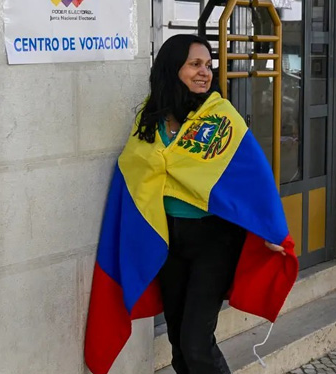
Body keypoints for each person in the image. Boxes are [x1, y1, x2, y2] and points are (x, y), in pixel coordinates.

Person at [125, 34, 296, 374]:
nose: (205, 72)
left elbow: (252, 175)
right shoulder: (150, 117)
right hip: (169, 240)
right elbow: (134, 172)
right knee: (178, 342)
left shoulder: (220, 115)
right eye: (195, 64)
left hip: (214, 241)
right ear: (172, 68)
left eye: (208, 65)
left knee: (196, 343)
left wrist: (269, 226)